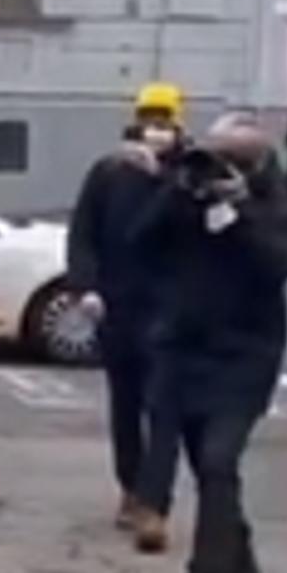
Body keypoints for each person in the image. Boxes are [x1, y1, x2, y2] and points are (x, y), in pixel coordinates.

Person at [132, 111, 287, 573]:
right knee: (209, 469)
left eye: (236, 160)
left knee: (219, 458)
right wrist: (179, 186)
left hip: (245, 353)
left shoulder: (279, 203)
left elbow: (279, 263)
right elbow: (139, 241)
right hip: (183, 347)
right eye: (218, 155)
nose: (222, 168)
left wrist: (241, 205)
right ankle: (239, 562)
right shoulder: (187, 194)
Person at [67, 82, 186, 549]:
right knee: (126, 404)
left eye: (164, 120)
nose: (155, 129)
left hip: (169, 311)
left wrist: (167, 175)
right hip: (118, 305)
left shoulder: (186, 175)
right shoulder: (109, 172)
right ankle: (131, 487)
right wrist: (86, 286)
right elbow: (84, 232)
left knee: (165, 406)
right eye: (149, 119)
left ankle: (154, 500)